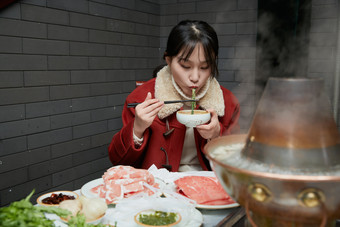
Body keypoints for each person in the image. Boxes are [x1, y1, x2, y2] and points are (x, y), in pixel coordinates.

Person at [108, 20, 240, 172]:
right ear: (169, 60)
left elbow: (237, 165)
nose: (195, 77)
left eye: (204, 67)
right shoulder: (142, 98)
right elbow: (117, 160)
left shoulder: (227, 102)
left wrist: (217, 135)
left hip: (206, 186)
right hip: (158, 188)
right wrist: (137, 128)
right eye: (185, 66)